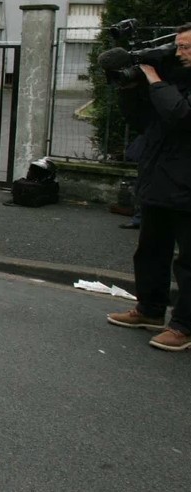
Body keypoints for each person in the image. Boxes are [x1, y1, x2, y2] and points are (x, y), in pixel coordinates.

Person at [106, 23, 191, 352]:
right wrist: (129, 86)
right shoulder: (172, 80)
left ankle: (183, 326)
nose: (180, 53)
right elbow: (142, 121)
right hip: (159, 179)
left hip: (187, 185)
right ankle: (150, 310)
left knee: (188, 261)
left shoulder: (166, 82)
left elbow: (182, 116)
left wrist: (154, 78)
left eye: (186, 47)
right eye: (178, 46)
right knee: (151, 251)